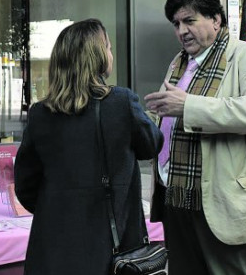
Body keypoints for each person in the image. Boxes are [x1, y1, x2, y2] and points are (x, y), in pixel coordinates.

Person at [143, 0, 246, 274]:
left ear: (216, 19)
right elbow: (169, 117)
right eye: (176, 24)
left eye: (189, 20)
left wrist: (189, 107)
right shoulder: (178, 62)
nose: (181, 31)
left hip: (226, 204)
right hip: (177, 199)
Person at [14, 19, 163, 274]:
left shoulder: (41, 113)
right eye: (108, 47)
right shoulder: (121, 102)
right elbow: (151, 146)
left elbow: (25, 184)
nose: (111, 53)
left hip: (54, 244)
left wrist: (58, 207)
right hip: (112, 245)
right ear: (98, 56)